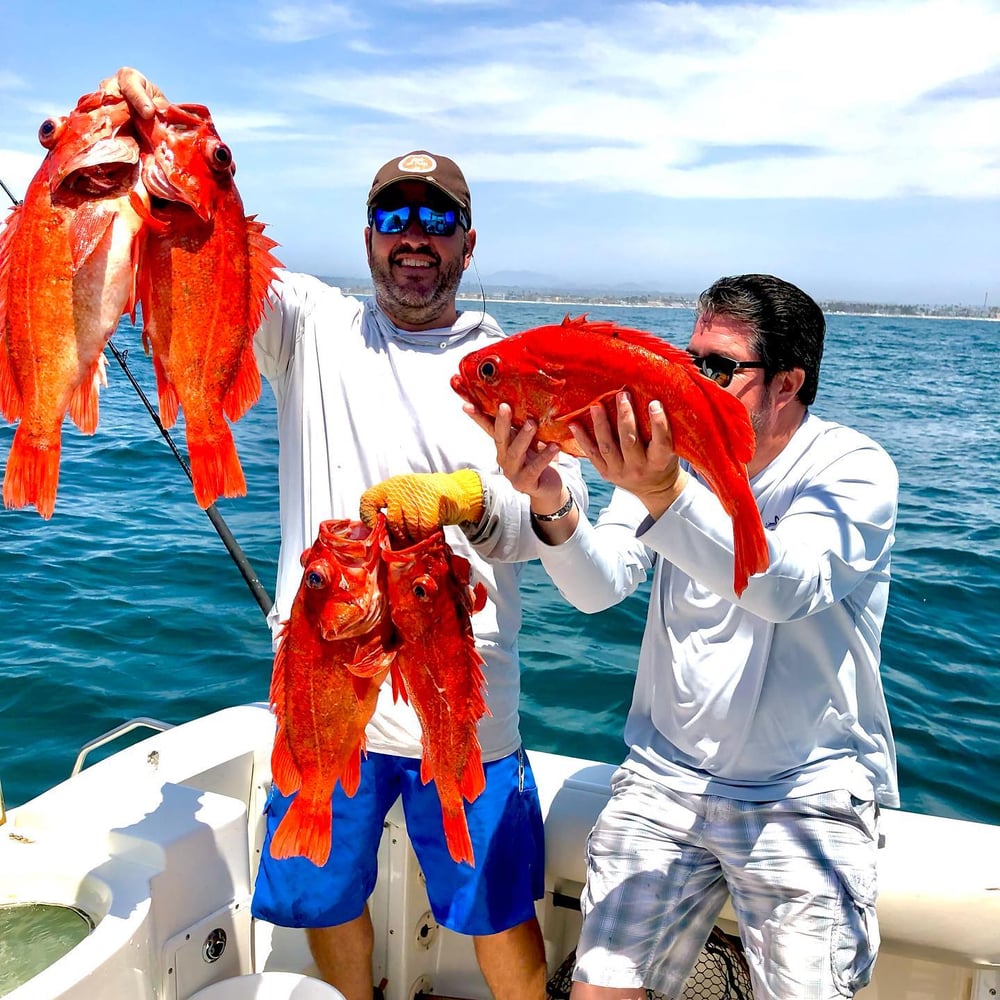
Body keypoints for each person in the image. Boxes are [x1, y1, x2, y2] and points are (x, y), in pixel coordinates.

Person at [107, 68, 588, 1000]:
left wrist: (467, 502)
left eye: (437, 220)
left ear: (468, 241)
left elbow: (545, 527)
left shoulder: (508, 369)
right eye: (396, 218)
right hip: (326, 674)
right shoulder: (312, 326)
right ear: (369, 236)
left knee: (494, 903)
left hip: (462, 689)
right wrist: (148, 143)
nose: (415, 237)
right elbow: (202, 248)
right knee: (325, 893)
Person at [470, 274, 899, 1000]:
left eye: (719, 368)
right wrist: (548, 499)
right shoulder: (668, 457)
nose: (690, 379)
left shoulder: (853, 470)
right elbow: (597, 586)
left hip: (804, 791)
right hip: (665, 780)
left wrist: (666, 492)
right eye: (690, 359)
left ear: (787, 383)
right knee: (600, 991)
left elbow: (784, 586)